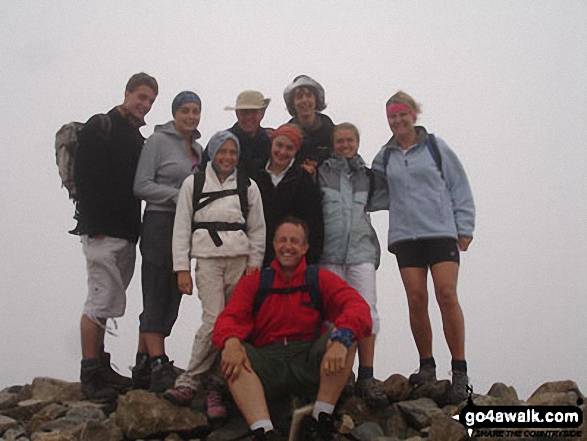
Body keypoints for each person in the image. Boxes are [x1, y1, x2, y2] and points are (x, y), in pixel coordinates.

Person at [212, 217, 372, 441]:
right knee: (232, 352)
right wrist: (230, 342)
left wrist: (341, 338)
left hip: (308, 362)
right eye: (283, 240)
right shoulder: (254, 282)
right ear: (274, 245)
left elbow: (356, 306)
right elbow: (230, 317)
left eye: (295, 241)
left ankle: (320, 420)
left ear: (305, 247)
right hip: (268, 365)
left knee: (348, 336)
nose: (288, 246)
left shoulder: (319, 279)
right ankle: (264, 431)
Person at [371, 91, 475, 404]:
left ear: (414, 115)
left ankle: (459, 371)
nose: (398, 121)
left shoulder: (435, 147)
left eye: (402, 114)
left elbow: (459, 185)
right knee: (416, 299)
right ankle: (426, 365)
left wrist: (465, 226)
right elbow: (374, 192)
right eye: (392, 116)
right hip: (405, 236)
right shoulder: (385, 156)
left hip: (441, 231)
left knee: (446, 294)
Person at [164, 130, 266, 421]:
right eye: (222, 151)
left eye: (232, 152)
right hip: (207, 259)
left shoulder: (247, 185)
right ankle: (190, 381)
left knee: (235, 324)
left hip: (239, 260)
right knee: (214, 321)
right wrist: (181, 268)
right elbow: (182, 226)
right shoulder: (193, 183)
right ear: (212, 152)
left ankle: (216, 386)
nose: (227, 157)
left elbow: (257, 228)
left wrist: (255, 263)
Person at [74, 72, 158, 400]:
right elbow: (85, 176)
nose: (145, 104)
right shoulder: (100, 126)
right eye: (141, 97)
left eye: (150, 100)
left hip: (126, 232)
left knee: (108, 298)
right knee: (98, 300)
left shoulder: (138, 139)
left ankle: (101, 365)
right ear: (127, 93)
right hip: (101, 231)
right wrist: (91, 223)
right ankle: (89, 372)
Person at [132, 91, 204, 393]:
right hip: (160, 222)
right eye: (185, 111)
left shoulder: (198, 149)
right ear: (175, 113)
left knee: (174, 291)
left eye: (195, 111)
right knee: (155, 289)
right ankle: (159, 362)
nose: (190, 116)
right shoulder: (158, 141)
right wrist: (179, 197)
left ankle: (143, 362)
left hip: (184, 227)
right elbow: (141, 185)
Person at [318, 122, 389, 408]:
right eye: (340, 140)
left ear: (357, 142)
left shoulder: (367, 177)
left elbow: (395, 194)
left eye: (350, 140)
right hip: (329, 252)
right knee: (331, 316)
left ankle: (366, 375)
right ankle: (336, 374)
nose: (345, 145)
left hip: (360, 251)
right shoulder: (321, 171)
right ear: (333, 142)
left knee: (367, 313)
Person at [250, 123, 324, 266]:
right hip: (257, 258)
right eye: (279, 145)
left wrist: (310, 261)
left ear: (296, 151)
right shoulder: (254, 173)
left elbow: (314, 224)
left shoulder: (303, 179)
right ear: (272, 144)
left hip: (291, 258)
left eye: (289, 148)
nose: (282, 152)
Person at [200, 90, 272, 175]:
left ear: (263, 113)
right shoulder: (220, 141)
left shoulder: (271, 141)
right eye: (244, 112)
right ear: (237, 113)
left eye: (254, 112)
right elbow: (203, 173)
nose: (249, 117)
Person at [283, 75, 335, 177]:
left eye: (309, 95)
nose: (304, 100)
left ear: (316, 100)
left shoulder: (330, 129)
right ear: (292, 103)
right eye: (299, 97)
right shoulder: (286, 134)